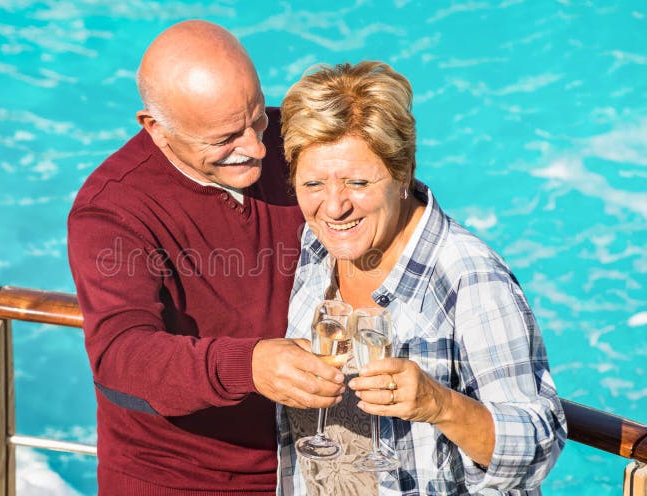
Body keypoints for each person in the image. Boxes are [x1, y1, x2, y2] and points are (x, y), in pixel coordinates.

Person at [67, 21, 346, 495]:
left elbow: (387, 197)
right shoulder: (110, 210)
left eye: (258, 119)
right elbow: (120, 353)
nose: (258, 148)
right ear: (155, 129)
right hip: (176, 477)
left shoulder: (287, 138)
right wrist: (250, 365)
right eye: (225, 139)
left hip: (314, 459)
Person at [277, 61, 567, 495]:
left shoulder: (471, 278)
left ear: (402, 173)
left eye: (358, 182)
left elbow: (539, 447)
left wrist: (439, 404)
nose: (334, 207)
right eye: (314, 183)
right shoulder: (315, 245)